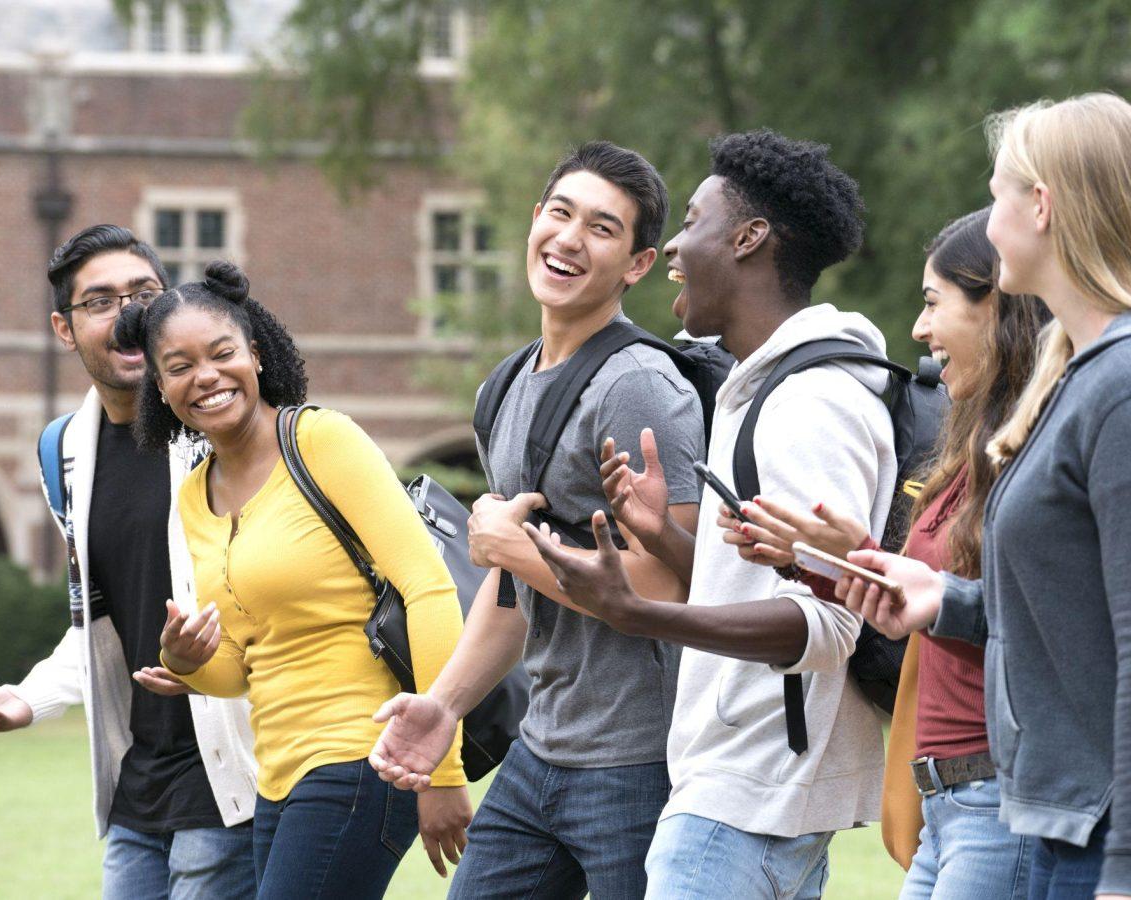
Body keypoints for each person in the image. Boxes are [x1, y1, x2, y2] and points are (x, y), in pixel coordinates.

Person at [524, 130, 897, 899]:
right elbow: (776, 593)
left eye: (691, 221)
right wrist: (664, 535)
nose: (672, 249)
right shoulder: (758, 391)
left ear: (749, 238)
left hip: (744, 797)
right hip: (736, 790)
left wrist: (637, 613)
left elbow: (830, 627)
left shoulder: (809, 402)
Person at [368, 141, 705, 899]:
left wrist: (517, 552)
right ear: (533, 220)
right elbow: (514, 593)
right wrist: (444, 706)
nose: (569, 239)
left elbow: (673, 586)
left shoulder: (640, 386)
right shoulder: (506, 386)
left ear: (638, 264)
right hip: (540, 750)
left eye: (602, 228)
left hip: (639, 762)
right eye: (560, 213)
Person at [831, 93, 1131, 900]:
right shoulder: (1074, 381)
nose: (987, 214)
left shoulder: (1120, 387)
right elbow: (1068, 610)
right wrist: (942, 601)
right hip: (1049, 820)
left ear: (1042, 205)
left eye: (996, 190)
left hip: (1083, 833)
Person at [716, 208, 1051, 898]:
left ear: (998, 307)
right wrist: (825, 558)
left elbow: (1046, 618)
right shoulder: (973, 451)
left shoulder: (1043, 449)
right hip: (945, 805)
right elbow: (924, 600)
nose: (920, 330)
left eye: (934, 304)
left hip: (999, 800)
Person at [114, 260, 471, 899]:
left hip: (368, 753)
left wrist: (442, 769)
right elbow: (240, 666)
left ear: (254, 355)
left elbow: (429, 590)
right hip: (276, 778)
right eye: (180, 366)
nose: (206, 377)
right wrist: (187, 661)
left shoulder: (321, 440)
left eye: (222, 353)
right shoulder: (195, 495)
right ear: (161, 388)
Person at [0, 225, 257, 899]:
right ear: (63, 327)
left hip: (231, 778)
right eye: (102, 301)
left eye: (145, 293)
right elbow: (102, 628)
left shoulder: (223, 430)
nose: (130, 314)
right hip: (137, 787)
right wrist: (28, 699)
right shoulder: (65, 453)